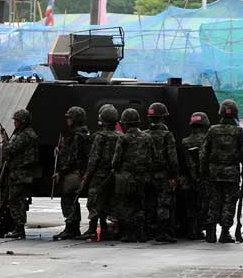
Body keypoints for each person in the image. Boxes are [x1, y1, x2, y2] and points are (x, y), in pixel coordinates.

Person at [201, 99, 243, 243]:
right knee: (229, 202)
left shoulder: (212, 130)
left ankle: (210, 232)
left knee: (214, 201)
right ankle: (225, 232)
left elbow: (204, 153)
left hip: (214, 173)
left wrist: (204, 171)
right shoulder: (240, 132)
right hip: (232, 174)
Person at [76, 104, 121, 240]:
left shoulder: (99, 137)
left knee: (94, 201)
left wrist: (87, 175)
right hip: (113, 174)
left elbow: (94, 158)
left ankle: (92, 228)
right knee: (109, 200)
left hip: (99, 174)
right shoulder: (120, 136)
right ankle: (105, 228)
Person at [112, 108, 154, 242]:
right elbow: (153, 157)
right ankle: (142, 233)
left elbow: (116, 160)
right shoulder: (147, 137)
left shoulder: (123, 138)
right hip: (144, 177)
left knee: (127, 206)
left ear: (125, 123)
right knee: (142, 204)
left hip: (127, 178)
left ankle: (129, 234)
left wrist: (118, 170)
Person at [52, 106, 90, 241]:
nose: (67, 120)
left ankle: (71, 228)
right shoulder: (83, 133)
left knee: (68, 198)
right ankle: (73, 228)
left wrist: (61, 173)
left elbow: (72, 158)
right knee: (72, 200)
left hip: (74, 173)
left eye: (70, 118)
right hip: (79, 172)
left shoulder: (76, 136)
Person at [0, 109, 39, 239]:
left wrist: (5, 139)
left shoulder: (24, 136)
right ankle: (19, 227)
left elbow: (10, 150)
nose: (14, 123)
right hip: (23, 172)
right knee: (19, 200)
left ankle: (18, 228)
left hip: (19, 173)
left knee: (15, 201)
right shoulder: (29, 134)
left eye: (16, 121)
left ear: (22, 122)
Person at [144, 102, 179, 243]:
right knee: (163, 203)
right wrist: (175, 174)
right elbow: (172, 157)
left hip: (147, 175)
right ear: (163, 117)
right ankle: (161, 232)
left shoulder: (144, 135)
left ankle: (148, 231)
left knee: (149, 202)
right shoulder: (166, 135)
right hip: (162, 175)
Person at [179, 112, 210, 240]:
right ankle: (201, 230)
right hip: (205, 179)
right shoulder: (208, 140)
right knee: (204, 206)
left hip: (188, 181)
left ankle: (192, 230)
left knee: (191, 207)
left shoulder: (185, 141)